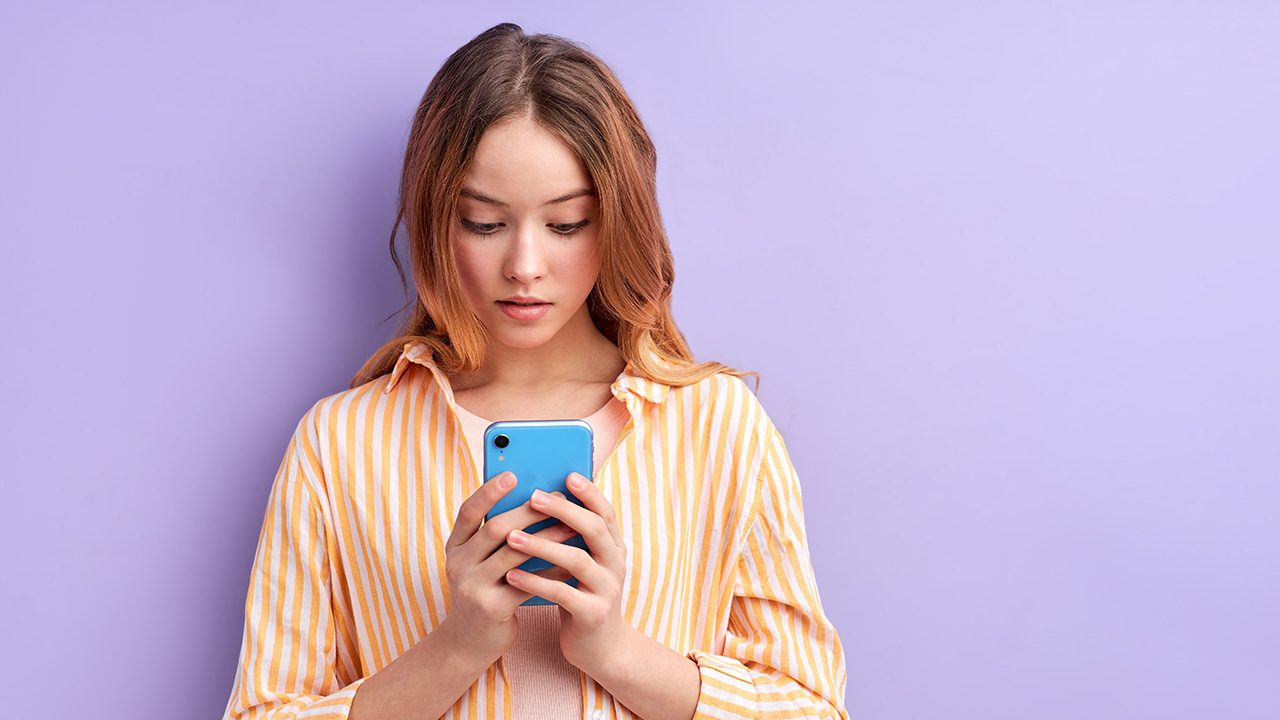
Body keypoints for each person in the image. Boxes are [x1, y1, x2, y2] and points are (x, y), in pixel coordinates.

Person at [223, 23, 846, 720]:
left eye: (567, 224)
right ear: (437, 221)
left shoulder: (719, 427)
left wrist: (613, 650)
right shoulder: (340, 446)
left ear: (616, 221)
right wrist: (457, 647)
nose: (524, 265)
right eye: (485, 223)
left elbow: (811, 708)